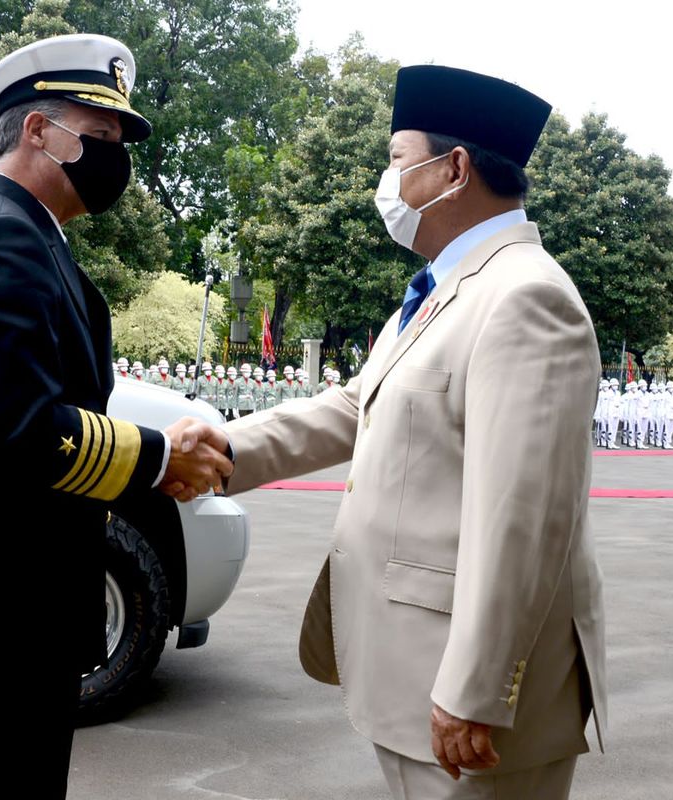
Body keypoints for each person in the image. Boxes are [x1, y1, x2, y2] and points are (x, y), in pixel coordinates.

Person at [206, 65, 605, 800]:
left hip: (468, 695)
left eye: (397, 161)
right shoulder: (439, 291)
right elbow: (359, 407)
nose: (387, 183)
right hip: (412, 671)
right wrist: (224, 450)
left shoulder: (527, 299)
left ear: (453, 170)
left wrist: (475, 689)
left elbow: (522, 519)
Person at [0, 34, 232, 800]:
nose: (115, 157)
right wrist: (161, 457)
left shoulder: (30, 243)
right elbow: (27, 434)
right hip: (1, 620)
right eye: (101, 136)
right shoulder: (0, 246)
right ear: (36, 132)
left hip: (22, 614)